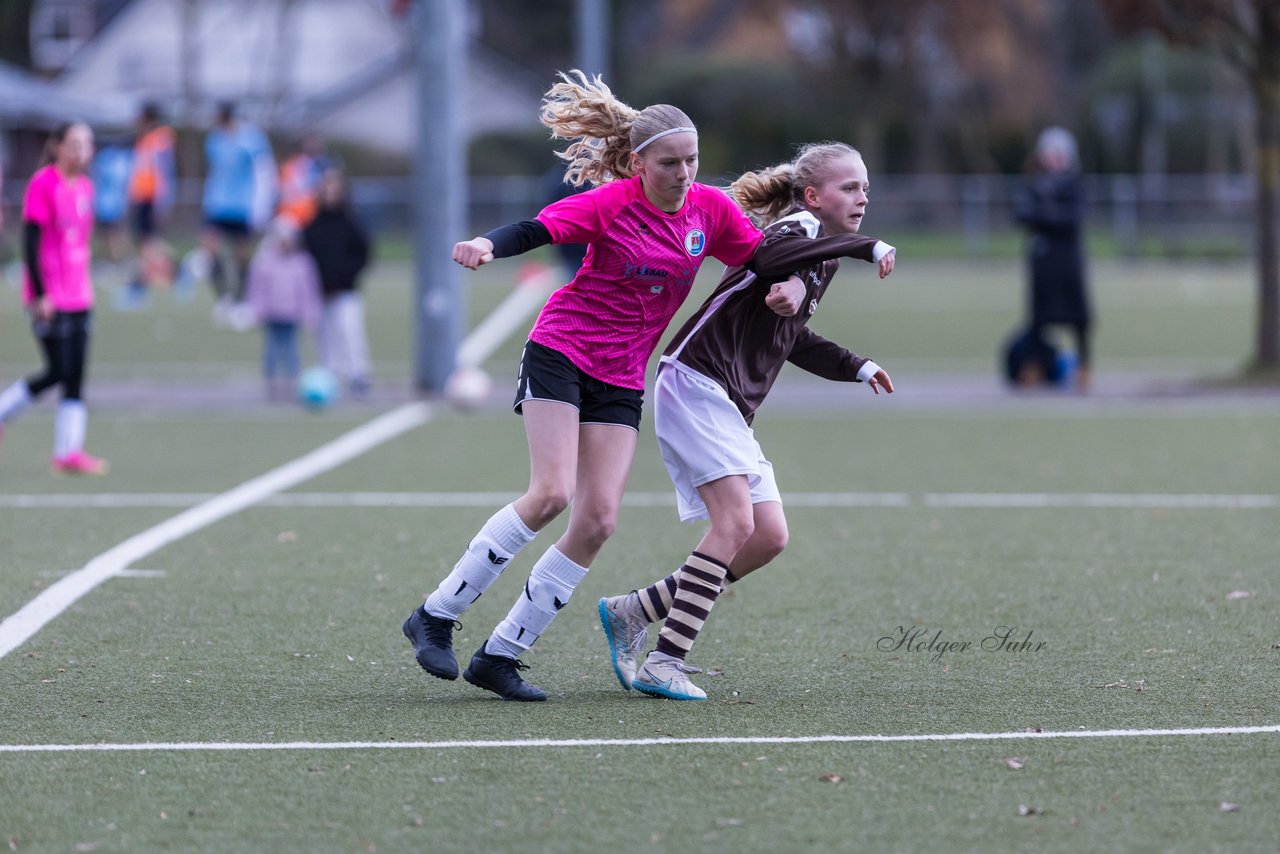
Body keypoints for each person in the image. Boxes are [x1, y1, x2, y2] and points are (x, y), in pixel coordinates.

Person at [401, 70, 766, 702]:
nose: (683, 173)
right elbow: (536, 230)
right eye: (670, 162)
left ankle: (503, 654)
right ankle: (435, 616)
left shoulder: (711, 208)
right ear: (637, 162)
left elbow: (761, 259)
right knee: (551, 493)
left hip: (622, 374)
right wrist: (486, 244)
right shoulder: (611, 203)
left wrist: (811, 270)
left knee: (597, 520)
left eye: (692, 161)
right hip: (562, 350)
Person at [597, 142, 897, 700]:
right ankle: (666, 661)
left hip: (726, 400)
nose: (861, 198)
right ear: (813, 196)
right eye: (849, 188)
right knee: (735, 523)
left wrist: (857, 365)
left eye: (865, 190)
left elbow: (791, 336)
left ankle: (634, 611)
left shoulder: (818, 253)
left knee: (767, 536)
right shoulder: (798, 231)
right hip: (696, 381)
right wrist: (866, 247)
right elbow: (771, 259)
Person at [0, 122, 109, 474]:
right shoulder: (43, 184)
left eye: (87, 144)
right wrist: (41, 294)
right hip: (50, 294)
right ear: (58, 146)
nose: (81, 150)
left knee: (75, 375)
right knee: (58, 370)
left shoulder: (86, 187)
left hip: (80, 294)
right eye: (74, 143)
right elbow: (30, 241)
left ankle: (68, 452)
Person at [1012, 126, 1092, 391]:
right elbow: (1023, 216)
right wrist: (1047, 214)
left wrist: (1046, 214)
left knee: (1079, 315)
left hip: (1068, 258)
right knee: (1038, 316)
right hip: (1043, 259)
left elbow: (1071, 219)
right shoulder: (1036, 183)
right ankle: (1032, 367)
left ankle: (1085, 367)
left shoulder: (1074, 184)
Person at [191, 101, 277, 327]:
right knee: (209, 253)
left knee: (242, 256)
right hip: (217, 204)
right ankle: (223, 297)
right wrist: (206, 201)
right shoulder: (214, 140)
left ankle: (242, 300)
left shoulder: (251, 137)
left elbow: (264, 172)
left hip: (242, 206)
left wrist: (261, 207)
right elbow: (214, 172)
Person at [302, 167, 372, 396]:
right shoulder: (312, 227)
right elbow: (307, 259)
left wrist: (344, 279)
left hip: (345, 291)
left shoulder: (351, 224)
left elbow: (362, 255)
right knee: (323, 336)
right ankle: (328, 377)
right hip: (319, 292)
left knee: (349, 331)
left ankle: (358, 374)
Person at [244, 217, 322, 400]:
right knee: (271, 351)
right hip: (272, 314)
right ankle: (271, 382)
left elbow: (307, 291)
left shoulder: (302, 263)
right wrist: (257, 310)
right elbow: (257, 289)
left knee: (292, 350)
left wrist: (309, 313)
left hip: (291, 315)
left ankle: (292, 381)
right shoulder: (265, 262)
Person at [123, 102, 177, 303]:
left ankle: (140, 286)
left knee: (148, 243)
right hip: (141, 196)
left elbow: (165, 170)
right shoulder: (144, 139)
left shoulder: (161, 138)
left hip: (151, 197)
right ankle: (175, 274)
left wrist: (162, 201)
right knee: (147, 242)